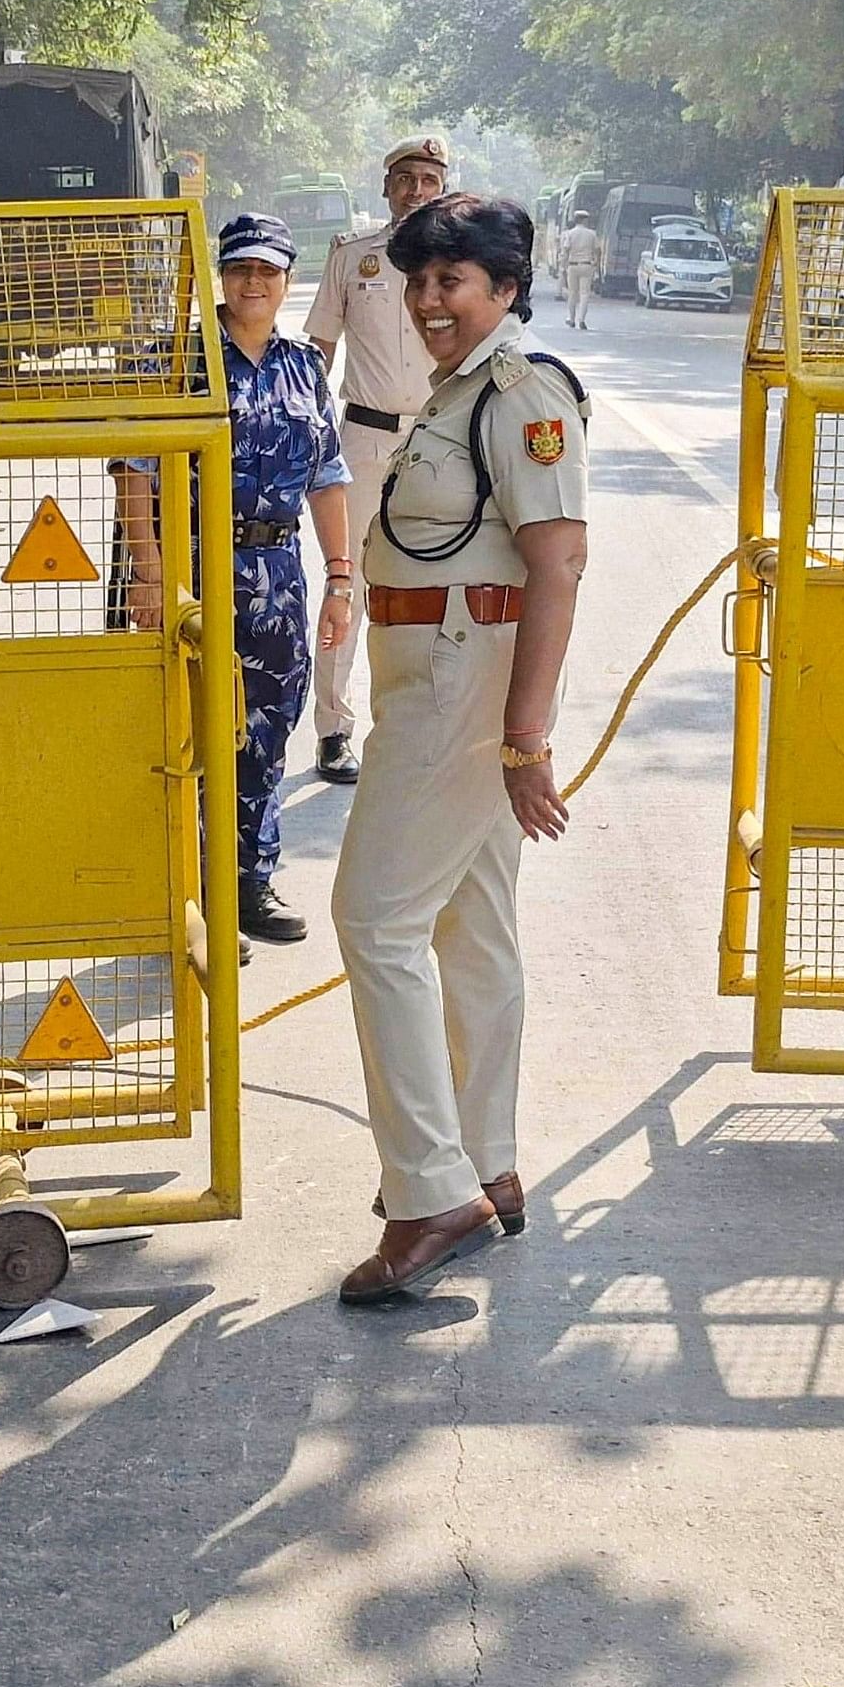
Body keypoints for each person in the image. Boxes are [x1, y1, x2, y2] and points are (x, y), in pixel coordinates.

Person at [329, 193, 586, 1305]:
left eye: (452, 282)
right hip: (430, 667)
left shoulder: (521, 395)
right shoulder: (454, 393)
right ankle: (486, 1162)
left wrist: (523, 740)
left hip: (458, 680)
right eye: (417, 282)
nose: (429, 301)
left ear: (505, 290)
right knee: (471, 924)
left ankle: (431, 1190)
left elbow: (559, 564)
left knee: (373, 917)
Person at [111, 214, 355, 951]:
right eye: (241, 269)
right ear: (221, 275)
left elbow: (328, 474)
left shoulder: (302, 362)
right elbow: (134, 471)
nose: (254, 282)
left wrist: (341, 578)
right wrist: (148, 577)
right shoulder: (180, 357)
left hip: (276, 572)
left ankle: (247, 881)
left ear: (287, 279)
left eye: (268, 271)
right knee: (189, 731)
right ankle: (187, 896)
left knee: (267, 728)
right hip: (189, 566)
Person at [299, 135, 455, 787]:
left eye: (427, 179)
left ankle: (433, 726)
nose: (415, 190)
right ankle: (334, 729)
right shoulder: (352, 256)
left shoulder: (462, 262)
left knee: (443, 586)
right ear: (385, 186)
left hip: (442, 440)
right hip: (361, 440)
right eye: (404, 179)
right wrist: (304, 432)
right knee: (348, 584)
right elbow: (317, 350)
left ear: (442, 187)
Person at [550, 210, 607, 330]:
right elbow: (597, 250)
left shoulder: (570, 234)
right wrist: (595, 263)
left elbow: (565, 251)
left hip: (572, 265)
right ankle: (582, 319)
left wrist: (563, 266)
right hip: (587, 265)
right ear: (585, 220)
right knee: (585, 293)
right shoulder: (592, 234)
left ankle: (571, 319)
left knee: (572, 293)